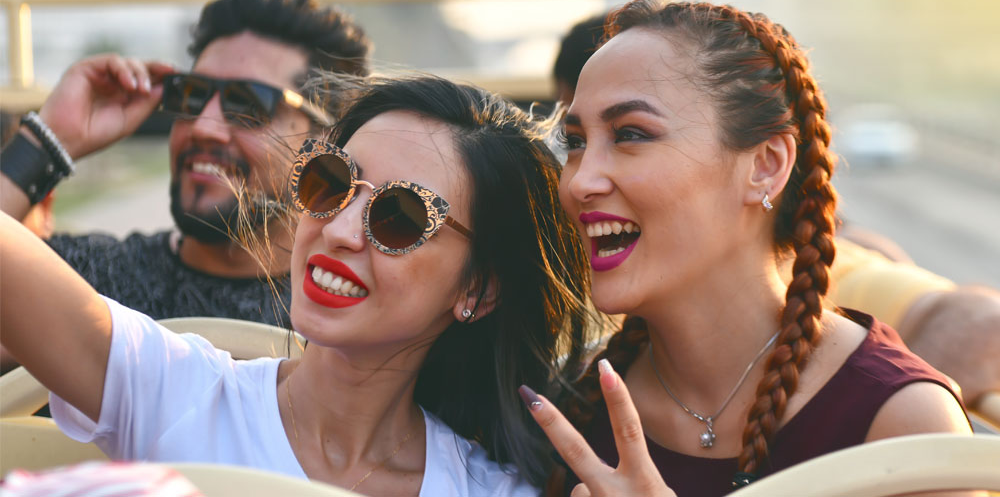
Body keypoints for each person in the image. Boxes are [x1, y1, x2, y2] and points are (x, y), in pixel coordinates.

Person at [0, 75, 595, 496]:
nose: (337, 230)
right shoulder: (177, 389)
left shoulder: (491, 492)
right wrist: (47, 142)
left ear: (478, 291)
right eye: (329, 181)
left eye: (401, 217)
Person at [527, 0, 971, 497]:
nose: (580, 181)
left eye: (631, 134)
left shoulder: (901, 423)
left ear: (765, 164)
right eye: (576, 142)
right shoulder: (574, 406)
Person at [0, 0, 371, 359]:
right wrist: (48, 139)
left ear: (326, 144)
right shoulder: (94, 282)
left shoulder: (346, 318)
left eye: (248, 103)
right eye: (191, 94)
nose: (203, 126)